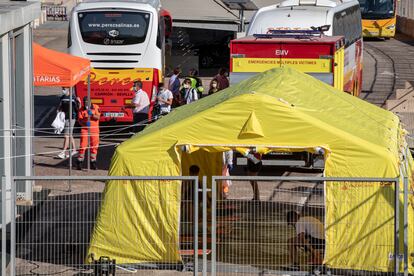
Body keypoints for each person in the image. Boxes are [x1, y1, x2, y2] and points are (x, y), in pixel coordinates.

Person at [77, 96, 101, 170]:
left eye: (87, 102)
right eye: (84, 102)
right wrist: (84, 122)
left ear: (90, 101)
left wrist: (92, 115)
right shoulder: (81, 109)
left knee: (94, 147)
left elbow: (98, 117)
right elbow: (79, 121)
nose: (86, 103)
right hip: (85, 129)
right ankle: (79, 162)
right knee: (82, 146)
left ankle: (93, 162)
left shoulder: (96, 107)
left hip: (94, 130)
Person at [57, 87, 79, 159]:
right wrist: (59, 111)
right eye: (62, 88)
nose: (63, 90)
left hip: (72, 118)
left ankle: (63, 152)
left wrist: (80, 102)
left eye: (64, 88)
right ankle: (74, 150)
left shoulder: (73, 98)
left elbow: (78, 109)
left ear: (69, 89)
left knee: (66, 135)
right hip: (65, 118)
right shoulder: (62, 97)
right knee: (69, 134)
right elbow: (60, 107)